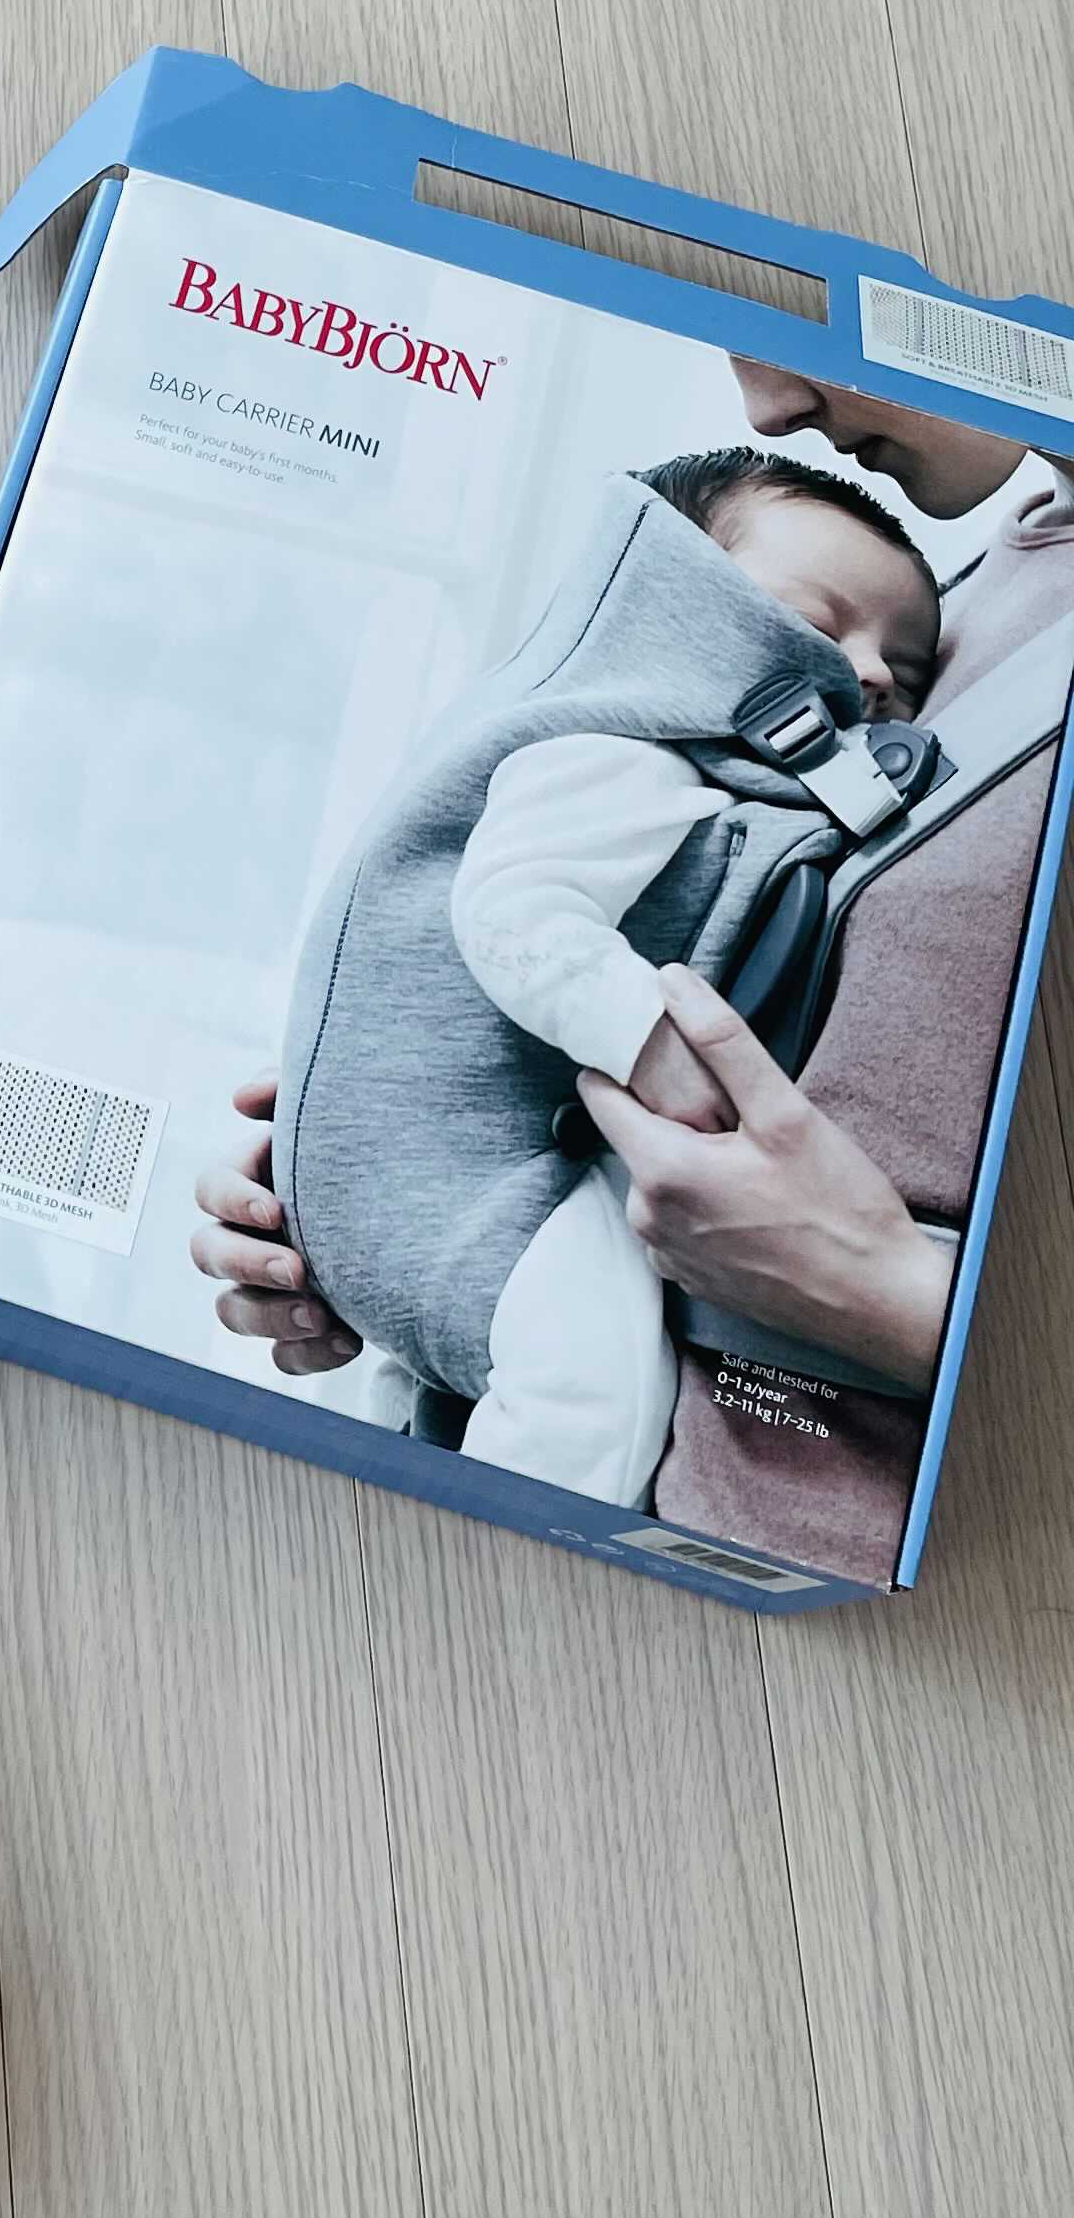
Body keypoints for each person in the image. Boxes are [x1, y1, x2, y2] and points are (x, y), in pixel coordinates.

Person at [190, 366, 1073, 1579]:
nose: (767, 405)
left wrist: (888, 1292)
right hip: (625, 1483)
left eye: (812, 310)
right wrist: (401, 1114)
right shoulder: (968, 591)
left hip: (894, 1578)